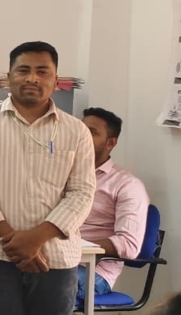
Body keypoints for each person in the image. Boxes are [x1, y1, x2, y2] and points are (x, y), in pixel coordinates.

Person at [0, 41, 96, 315]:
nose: (32, 78)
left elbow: (82, 192)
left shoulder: (76, 131)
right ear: (9, 77)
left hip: (56, 259)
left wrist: (34, 240)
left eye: (42, 72)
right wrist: (14, 242)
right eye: (23, 70)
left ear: (56, 81)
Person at [77, 107, 149, 300]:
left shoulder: (127, 185)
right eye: (80, 129)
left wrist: (74, 247)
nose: (81, 135)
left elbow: (129, 244)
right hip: (53, 259)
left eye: (92, 132)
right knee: (4, 273)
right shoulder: (64, 175)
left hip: (91, 271)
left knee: (36, 282)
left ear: (110, 143)